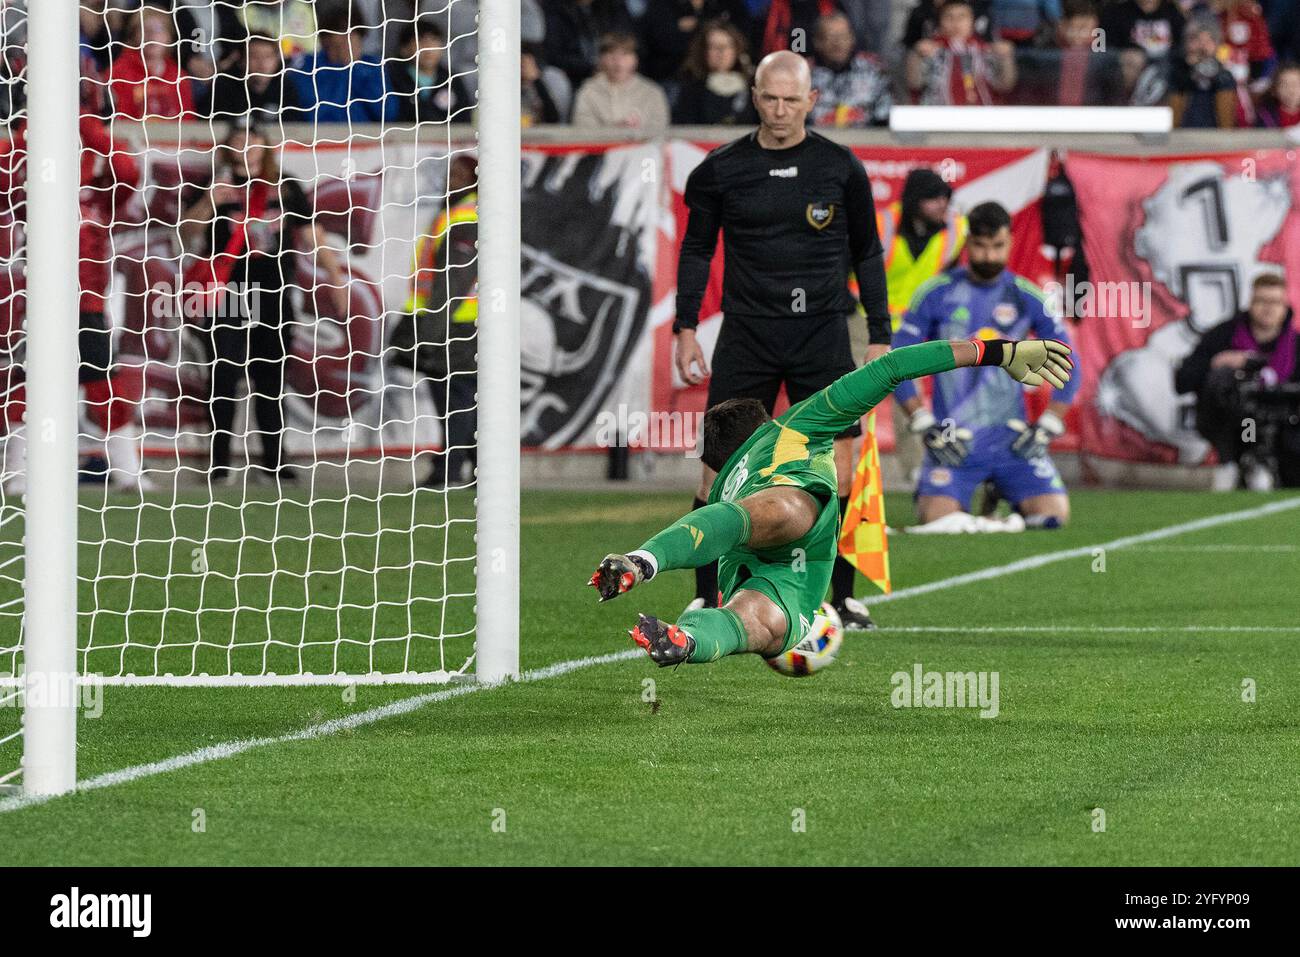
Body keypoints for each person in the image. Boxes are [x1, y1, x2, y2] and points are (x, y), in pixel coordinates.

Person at [589, 337, 1073, 667]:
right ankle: (680, 621)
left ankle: (674, 609)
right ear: (762, 424)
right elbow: (891, 367)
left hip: (739, 556)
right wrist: (998, 350)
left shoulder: (718, 488)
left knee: (748, 620)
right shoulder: (791, 424)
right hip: (798, 531)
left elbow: (711, 528)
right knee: (773, 604)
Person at [673, 49, 891, 631]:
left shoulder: (841, 168)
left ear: (812, 101)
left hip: (821, 333)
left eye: (792, 99)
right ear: (754, 95)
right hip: (747, 332)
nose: (779, 110)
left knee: (839, 473)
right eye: (769, 97)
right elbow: (697, 251)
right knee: (717, 471)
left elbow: (867, 253)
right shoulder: (719, 169)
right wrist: (686, 327)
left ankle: (836, 599)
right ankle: (708, 596)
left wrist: (879, 334)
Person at [892, 202, 1080, 528]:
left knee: (1053, 516)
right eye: (980, 246)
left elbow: (1069, 360)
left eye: (998, 246)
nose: (989, 256)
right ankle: (993, 511)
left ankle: (999, 494)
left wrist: (1050, 424)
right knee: (937, 521)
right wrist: (922, 422)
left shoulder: (1026, 295)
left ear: (1009, 242)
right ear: (967, 243)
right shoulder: (937, 293)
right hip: (953, 440)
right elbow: (898, 357)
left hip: (1012, 440)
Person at [179, 125, 347, 486]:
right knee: (222, 378)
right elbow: (186, 233)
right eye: (239, 142)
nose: (247, 149)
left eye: (254, 142)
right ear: (227, 148)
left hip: (275, 294)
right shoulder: (214, 188)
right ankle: (218, 465)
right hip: (229, 295)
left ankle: (274, 464)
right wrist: (210, 200)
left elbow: (311, 235)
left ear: (266, 148)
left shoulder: (285, 187)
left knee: (271, 380)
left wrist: (335, 276)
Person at [874, 168, 968, 482]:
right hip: (866, 322)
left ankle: (916, 473)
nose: (942, 204)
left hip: (914, 326)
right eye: (933, 198)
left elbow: (952, 274)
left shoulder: (956, 227)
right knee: (856, 396)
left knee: (910, 399)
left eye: (945, 197)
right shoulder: (882, 224)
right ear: (915, 201)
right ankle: (848, 473)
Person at [395, 156, 480, 489]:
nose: (451, 180)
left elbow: (452, 283)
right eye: (450, 174)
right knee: (459, 401)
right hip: (449, 322)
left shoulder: (464, 217)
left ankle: (448, 470)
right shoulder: (453, 213)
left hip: (456, 326)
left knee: (455, 401)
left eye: (459, 175)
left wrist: (427, 334)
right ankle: (473, 469)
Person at [1174, 274, 1300, 490]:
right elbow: (1183, 380)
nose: (1268, 309)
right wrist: (1219, 362)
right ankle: (1238, 465)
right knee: (1246, 421)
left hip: (1286, 427)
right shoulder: (1224, 336)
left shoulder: (1295, 344)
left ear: (1285, 306)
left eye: (1275, 302)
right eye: (1262, 301)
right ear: (1250, 303)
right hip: (1241, 425)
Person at [285, 9, 394, 124]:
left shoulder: (373, 66)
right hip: (321, 137)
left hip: (366, 136)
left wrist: (355, 69)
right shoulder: (308, 67)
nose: (347, 43)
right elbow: (315, 112)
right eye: (341, 38)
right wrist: (342, 70)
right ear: (325, 41)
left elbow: (388, 113)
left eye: (353, 36)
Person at [907, 0, 1017, 105]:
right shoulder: (930, 51)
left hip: (982, 116)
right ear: (940, 22)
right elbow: (914, 83)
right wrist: (916, 56)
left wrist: (1006, 58)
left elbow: (1005, 86)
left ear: (973, 22)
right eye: (949, 17)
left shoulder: (988, 51)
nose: (956, 23)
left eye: (962, 17)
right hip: (938, 116)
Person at [107, 3, 197, 120]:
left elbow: (188, 123)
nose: (151, 35)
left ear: (169, 36)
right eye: (144, 29)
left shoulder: (180, 78)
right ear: (134, 35)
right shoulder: (117, 74)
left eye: (159, 29)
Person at [806, 12, 892, 128]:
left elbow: (885, 116)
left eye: (843, 36)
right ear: (817, 42)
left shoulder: (874, 70)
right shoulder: (803, 74)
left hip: (866, 141)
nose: (837, 43)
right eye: (831, 37)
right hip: (816, 140)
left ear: (852, 39)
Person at [571, 32, 670, 133]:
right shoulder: (588, 91)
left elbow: (660, 132)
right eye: (611, 55)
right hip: (601, 148)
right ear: (601, 59)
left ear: (635, 59)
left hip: (643, 147)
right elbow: (583, 131)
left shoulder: (652, 92)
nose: (619, 62)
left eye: (625, 54)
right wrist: (617, 130)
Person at [386, 18, 474, 124]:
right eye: (421, 41)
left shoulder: (453, 80)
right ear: (404, 49)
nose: (428, 48)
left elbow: (464, 119)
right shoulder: (392, 76)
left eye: (433, 40)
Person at [671, 19, 757, 125]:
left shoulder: (752, 87)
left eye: (727, 46)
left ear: (737, 50)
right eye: (713, 47)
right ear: (703, 51)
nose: (721, 53)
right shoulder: (691, 89)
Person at [209, 33, 299, 125]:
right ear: (242, 61)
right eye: (255, 57)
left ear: (277, 60)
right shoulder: (224, 88)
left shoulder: (286, 88)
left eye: (268, 57)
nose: (262, 64)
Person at [1167, 18, 1237, 128]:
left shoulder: (1224, 75)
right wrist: (1189, 71)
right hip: (1181, 135)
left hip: (1215, 136)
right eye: (1197, 40)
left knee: (1225, 79)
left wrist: (1211, 71)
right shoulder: (1175, 71)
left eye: (1208, 41)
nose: (1202, 46)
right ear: (1186, 43)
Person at [1256, 61, 1300, 128]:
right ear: (1274, 91)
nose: (1291, 90)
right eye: (1285, 85)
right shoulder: (1265, 115)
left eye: (1296, 84)